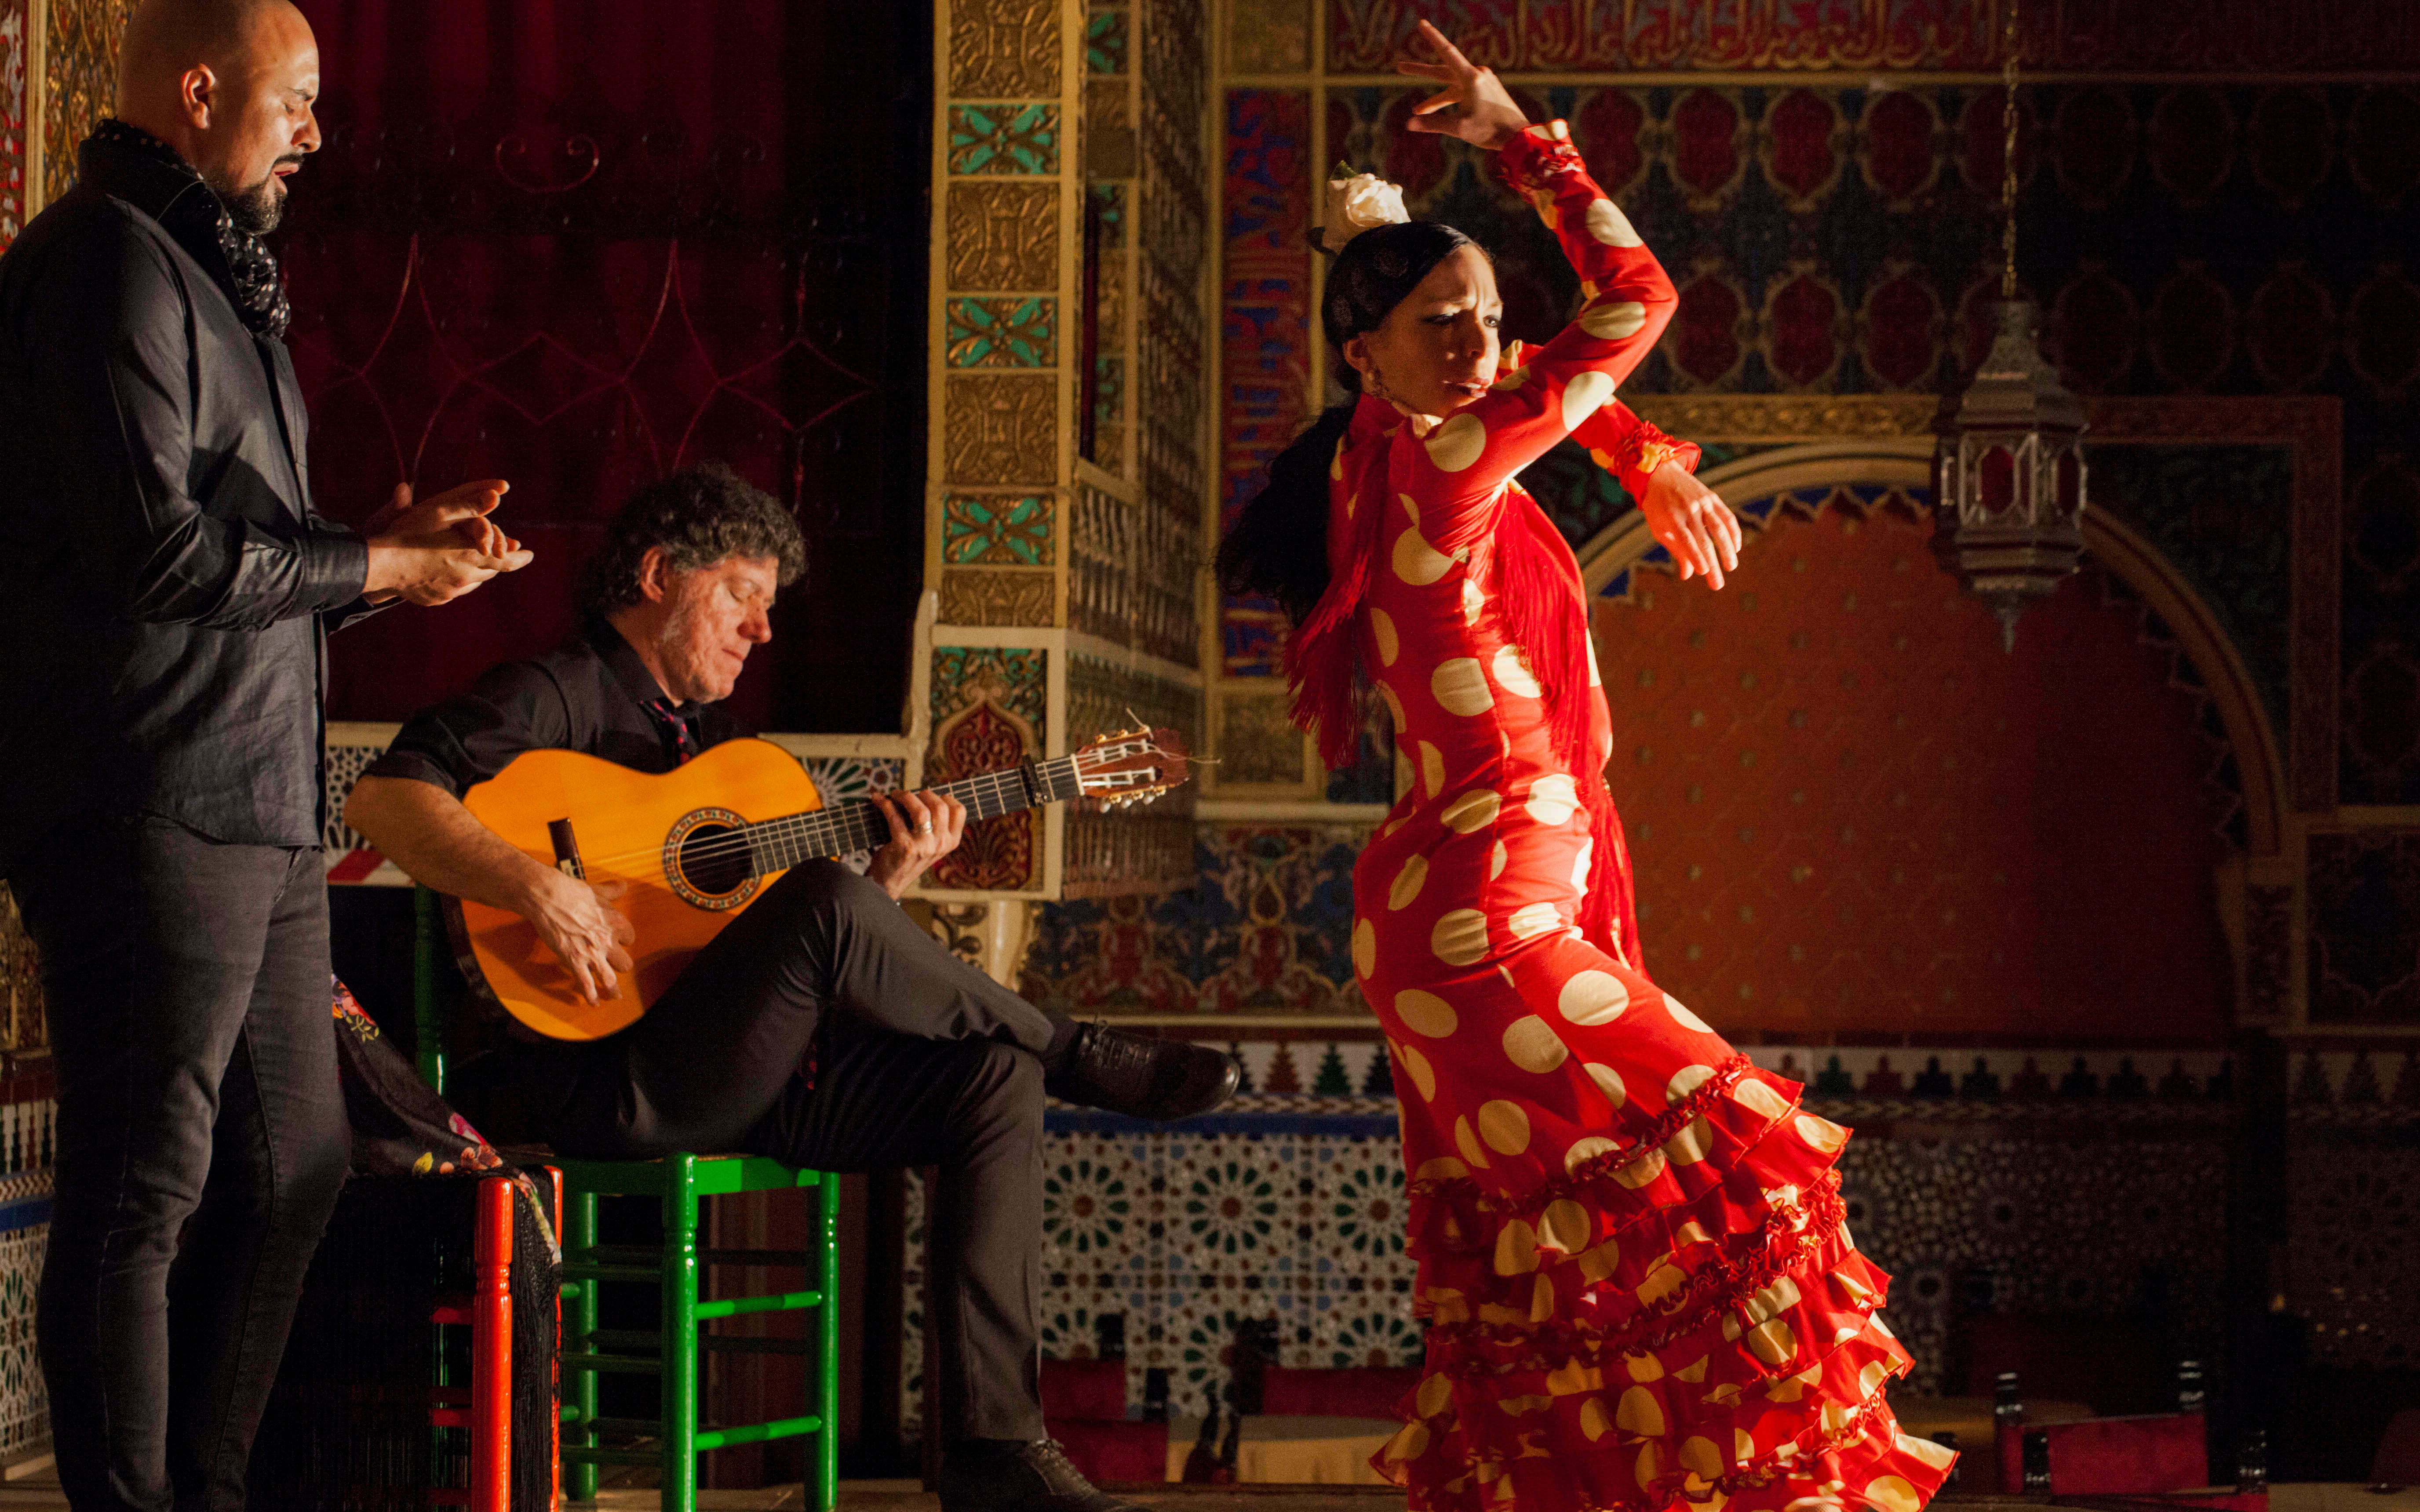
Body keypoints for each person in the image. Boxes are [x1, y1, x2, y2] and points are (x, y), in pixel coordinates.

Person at [1214, 22, 1956, 1512]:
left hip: (1437, 916)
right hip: (1490, 915)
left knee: (1575, 1263)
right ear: (1368, 357)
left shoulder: (1379, 451)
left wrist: (1642, 453)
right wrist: (1518, 140)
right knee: (1750, 1171)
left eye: (1483, 316)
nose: (1475, 346)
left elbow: (1550, 381)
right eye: (1438, 325)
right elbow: (1634, 300)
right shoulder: (1442, 461)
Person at [344, 463, 1237, 1512]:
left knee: (990, 1079)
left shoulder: (720, 765)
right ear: (656, 574)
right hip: (599, 1078)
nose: (762, 632)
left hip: (731, 1070)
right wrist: (532, 883)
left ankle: (994, 1449)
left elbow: (775, 960)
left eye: (771, 608)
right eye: (742, 595)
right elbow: (382, 798)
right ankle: (1076, 1046)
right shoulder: (554, 692)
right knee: (829, 902)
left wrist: (886, 888)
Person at [0, 0, 535, 1505]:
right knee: (141, 1191)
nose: (312, 133)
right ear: (198, 88)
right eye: (294, 101)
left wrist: (394, 557)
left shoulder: (207, 279)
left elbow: (247, 572)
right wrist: (371, 566)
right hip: (146, 801)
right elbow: (154, 561)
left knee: (298, 1170)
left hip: (259, 804)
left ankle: (210, 1489)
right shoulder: (103, 259)